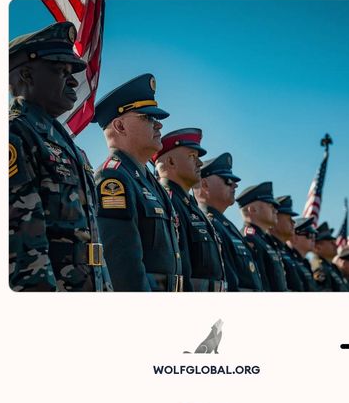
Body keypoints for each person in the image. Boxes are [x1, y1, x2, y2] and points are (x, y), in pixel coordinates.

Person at [9, 21, 112, 292]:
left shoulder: (70, 147)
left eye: (72, 71)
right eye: (60, 70)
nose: (74, 80)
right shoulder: (15, 135)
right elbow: (21, 241)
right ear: (27, 76)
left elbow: (91, 238)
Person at [93, 74, 183, 291]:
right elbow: (123, 267)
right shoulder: (113, 179)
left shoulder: (148, 181)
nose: (159, 125)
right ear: (120, 126)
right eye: (148, 118)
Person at [154, 129, 227, 292]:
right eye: (192, 156)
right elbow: (180, 268)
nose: (200, 163)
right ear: (171, 162)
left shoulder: (190, 205)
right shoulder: (170, 201)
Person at [193, 153, 263, 291]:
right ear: (204, 184)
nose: (235, 185)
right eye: (228, 180)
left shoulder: (227, 226)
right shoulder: (207, 224)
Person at [236, 183, 289, 291]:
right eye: (270, 205)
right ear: (252, 210)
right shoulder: (249, 238)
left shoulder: (265, 240)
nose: (275, 210)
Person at [268, 196, 308, 291]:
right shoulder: (268, 247)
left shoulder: (285, 251)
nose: (293, 222)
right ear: (275, 218)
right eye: (289, 217)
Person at [311, 222, 349, 291]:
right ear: (318, 247)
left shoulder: (333, 267)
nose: (336, 245)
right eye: (331, 243)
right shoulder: (319, 268)